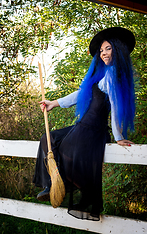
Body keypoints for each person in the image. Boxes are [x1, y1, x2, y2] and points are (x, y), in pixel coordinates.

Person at [33, 27, 136, 221]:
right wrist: (54, 103)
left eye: (108, 49)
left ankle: (86, 193)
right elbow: (82, 94)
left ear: (118, 49)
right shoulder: (102, 72)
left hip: (93, 129)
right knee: (48, 139)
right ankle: (51, 184)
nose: (103, 53)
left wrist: (119, 137)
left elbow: (115, 108)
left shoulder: (115, 75)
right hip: (84, 125)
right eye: (101, 51)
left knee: (66, 150)